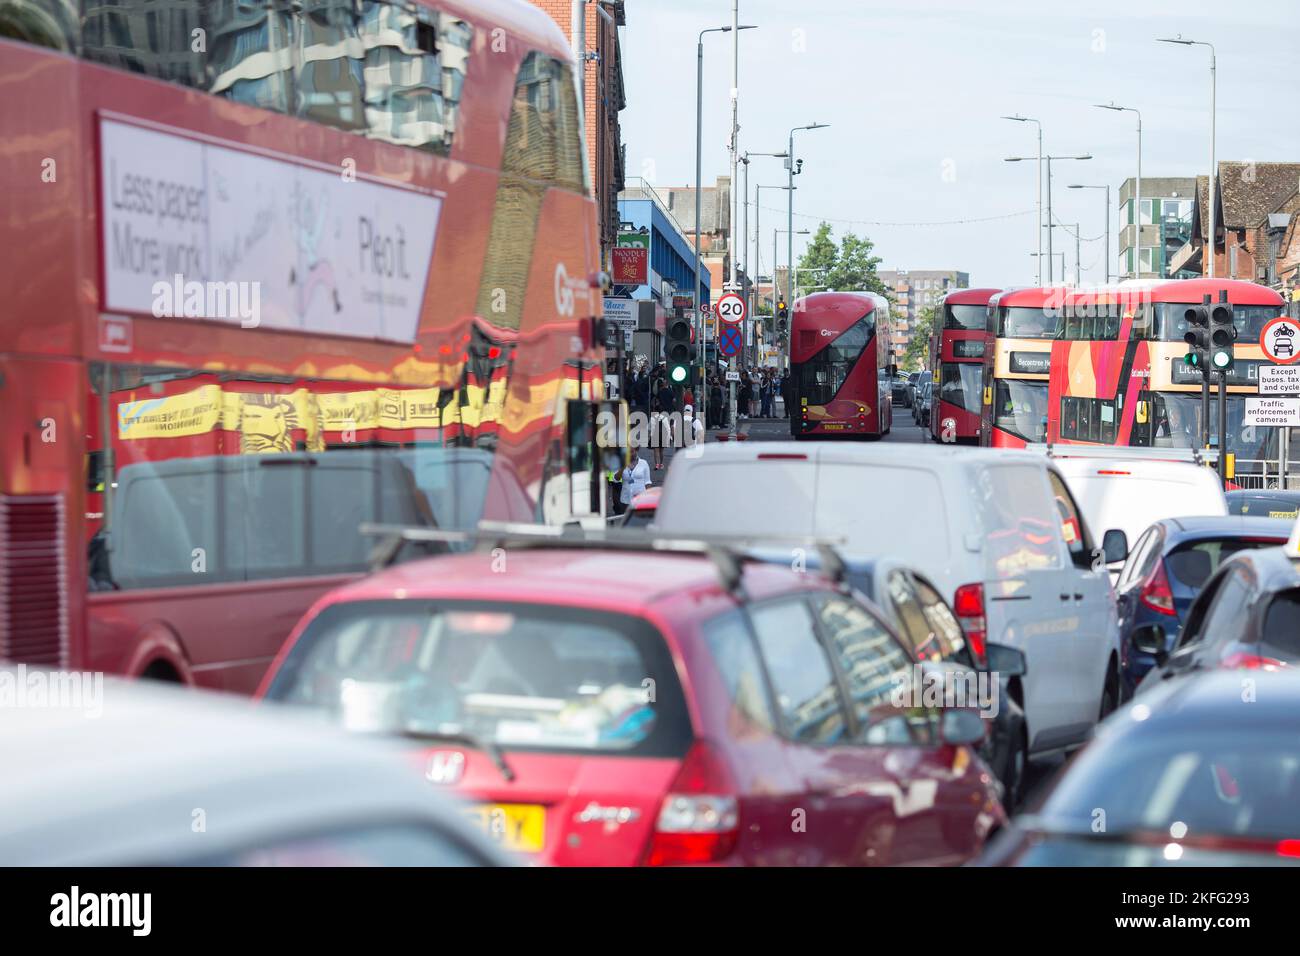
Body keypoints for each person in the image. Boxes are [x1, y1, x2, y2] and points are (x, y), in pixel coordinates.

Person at [620, 445, 651, 511]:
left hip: (641, 499)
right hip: (626, 499)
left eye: (631, 452)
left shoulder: (644, 463)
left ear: (637, 450)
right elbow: (616, 479)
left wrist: (648, 498)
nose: (629, 454)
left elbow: (647, 482)